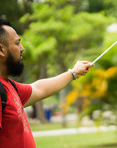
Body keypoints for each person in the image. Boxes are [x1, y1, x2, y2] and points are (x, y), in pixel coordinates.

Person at [0, 19, 94, 147]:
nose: (22, 48)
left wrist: (73, 73)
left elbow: (38, 89)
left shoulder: (8, 86)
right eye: (17, 43)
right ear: (1, 49)